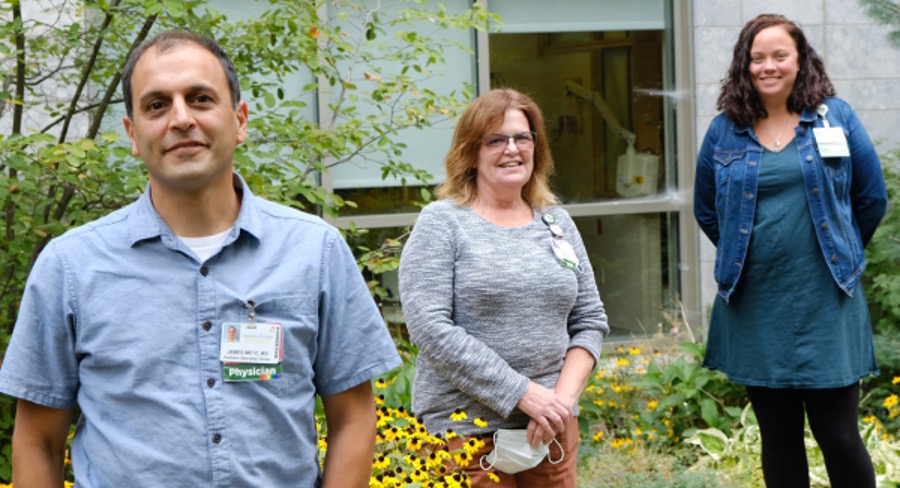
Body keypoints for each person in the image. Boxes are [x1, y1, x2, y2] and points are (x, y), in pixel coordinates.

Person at [0, 30, 401, 487]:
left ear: (240, 120)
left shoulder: (315, 252)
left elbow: (353, 416)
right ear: (133, 134)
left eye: (200, 98)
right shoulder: (71, 267)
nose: (181, 118)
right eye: (156, 105)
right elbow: (38, 441)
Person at [693, 14, 887, 488]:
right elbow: (706, 208)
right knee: (777, 436)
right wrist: (747, 251)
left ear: (800, 61)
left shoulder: (834, 117)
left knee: (838, 434)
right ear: (744, 66)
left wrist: (839, 251)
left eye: (779, 55)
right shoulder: (725, 131)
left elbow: (871, 197)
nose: (768, 66)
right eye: (757, 58)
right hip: (757, 305)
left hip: (827, 301)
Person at [398, 88, 609, 487]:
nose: (511, 149)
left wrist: (559, 404)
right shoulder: (443, 223)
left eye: (522, 138)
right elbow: (430, 327)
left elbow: (590, 320)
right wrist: (522, 394)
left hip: (549, 431)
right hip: (464, 432)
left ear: (536, 147)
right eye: (496, 139)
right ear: (471, 152)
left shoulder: (555, 220)